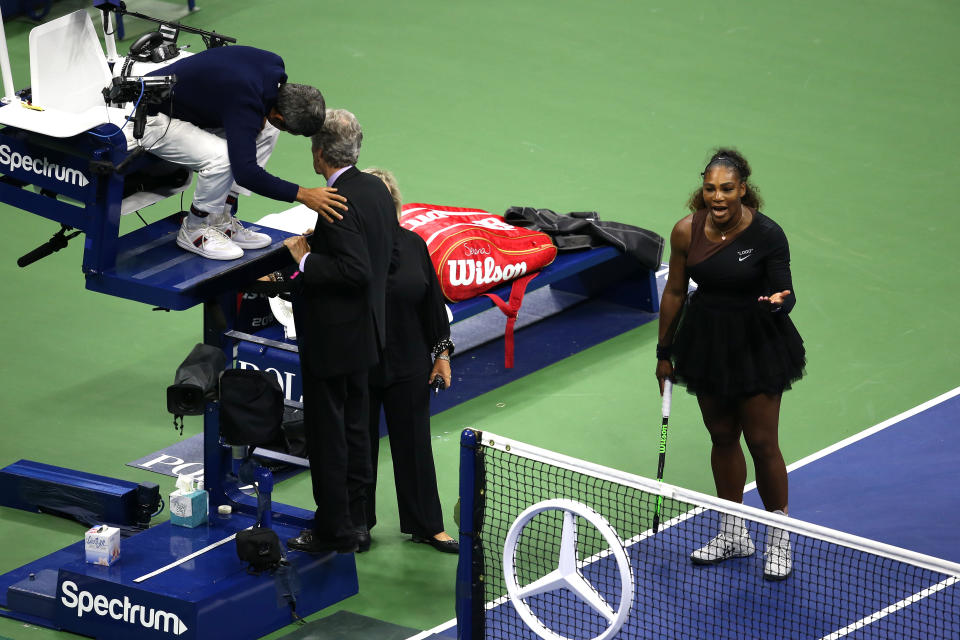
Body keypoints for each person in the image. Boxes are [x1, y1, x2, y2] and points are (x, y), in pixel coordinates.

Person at [654, 148, 805, 581]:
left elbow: (786, 292)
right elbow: (676, 293)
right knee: (721, 436)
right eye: (709, 189)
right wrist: (664, 353)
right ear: (702, 189)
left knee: (761, 442)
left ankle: (779, 537)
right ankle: (733, 530)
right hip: (706, 340)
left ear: (742, 189)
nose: (717, 197)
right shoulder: (687, 230)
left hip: (757, 340)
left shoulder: (767, 234)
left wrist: (781, 303)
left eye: (726, 189)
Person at [283, 110, 397, 554]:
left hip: (332, 343)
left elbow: (354, 269)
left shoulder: (333, 201)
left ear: (318, 154)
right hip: (368, 337)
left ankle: (335, 531)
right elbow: (381, 261)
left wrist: (305, 258)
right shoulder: (376, 190)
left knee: (330, 440)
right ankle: (359, 524)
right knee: (357, 434)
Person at [127, 45, 347, 260]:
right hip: (149, 115)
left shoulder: (275, 67)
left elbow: (249, 100)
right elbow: (247, 173)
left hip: (195, 107)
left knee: (267, 130)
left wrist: (260, 113)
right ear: (279, 117)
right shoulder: (246, 103)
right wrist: (304, 195)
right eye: (288, 129)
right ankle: (194, 229)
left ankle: (219, 219)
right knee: (222, 158)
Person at [361, 167, 458, 554]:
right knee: (357, 445)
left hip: (409, 364)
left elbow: (432, 305)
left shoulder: (415, 245)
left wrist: (441, 355)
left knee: (415, 444)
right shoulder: (345, 249)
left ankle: (426, 525)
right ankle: (356, 524)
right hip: (357, 365)